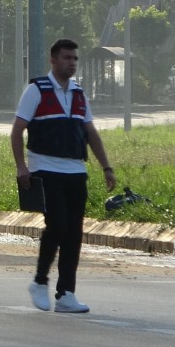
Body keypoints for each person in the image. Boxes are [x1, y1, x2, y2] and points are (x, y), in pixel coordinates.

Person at [10, 38, 117, 313]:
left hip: (75, 170)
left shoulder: (79, 93)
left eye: (75, 58)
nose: (72, 63)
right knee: (57, 225)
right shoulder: (36, 90)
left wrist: (106, 167)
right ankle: (39, 281)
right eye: (67, 58)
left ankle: (67, 293)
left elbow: (90, 132)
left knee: (74, 232)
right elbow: (17, 130)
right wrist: (22, 167)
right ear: (53, 60)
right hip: (45, 169)